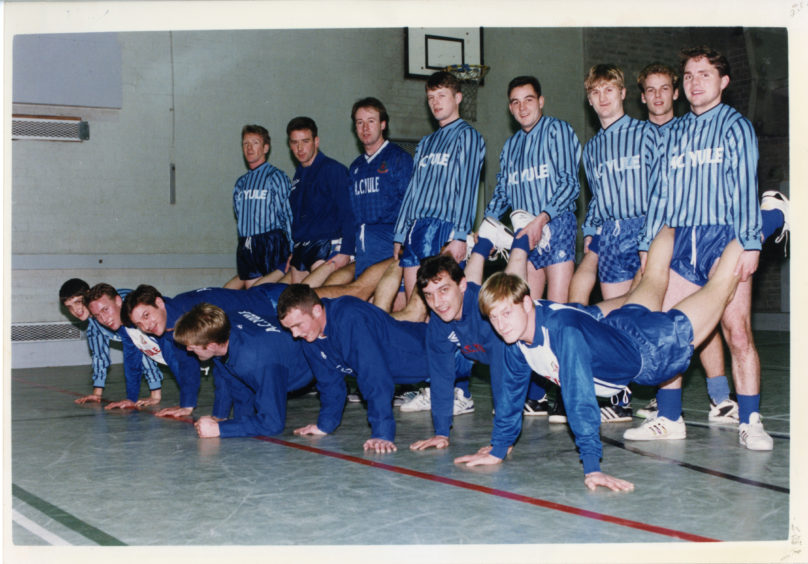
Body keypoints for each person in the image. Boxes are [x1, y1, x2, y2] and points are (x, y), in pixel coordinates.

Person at [457, 208, 785, 491]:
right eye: (494, 317)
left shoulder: (562, 334)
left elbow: (578, 400)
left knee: (722, 283)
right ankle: (673, 215)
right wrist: (498, 449)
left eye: (506, 313)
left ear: (528, 303)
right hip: (621, 326)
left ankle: (772, 214)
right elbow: (511, 396)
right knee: (654, 272)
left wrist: (592, 466)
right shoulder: (515, 341)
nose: (500, 324)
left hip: (653, 351)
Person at [631, 46, 779, 449]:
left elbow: (746, 188)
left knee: (738, 332)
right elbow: (659, 195)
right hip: (682, 240)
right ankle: (669, 417)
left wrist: (750, 243)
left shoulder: (736, 126)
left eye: (705, 74)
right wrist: (648, 245)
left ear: (723, 82)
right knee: (669, 333)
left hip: (724, 240)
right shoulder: (673, 132)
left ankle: (750, 419)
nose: (696, 82)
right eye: (690, 75)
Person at [633, 62, 738, 423]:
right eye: (651, 89)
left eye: (666, 88)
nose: (658, 95)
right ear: (642, 96)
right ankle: (662, 402)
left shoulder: (694, 128)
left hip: (692, 232)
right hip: (648, 235)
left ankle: (720, 395)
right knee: (654, 318)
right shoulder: (634, 136)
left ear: (675, 93)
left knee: (708, 314)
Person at [481, 74, 582, 418]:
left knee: (556, 310)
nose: (522, 107)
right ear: (510, 108)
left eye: (528, 99)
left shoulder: (560, 131)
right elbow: (501, 196)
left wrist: (541, 219)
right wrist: (485, 233)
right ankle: (537, 392)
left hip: (556, 226)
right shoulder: (510, 147)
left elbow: (570, 184)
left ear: (541, 101)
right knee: (528, 312)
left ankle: (566, 394)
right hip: (524, 237)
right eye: (515, 102)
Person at [277, 284, 451, 453]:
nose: (295, 334)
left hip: (439, 350)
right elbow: (329, 383)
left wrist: (382, 433)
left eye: (298, 325)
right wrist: (325, 425)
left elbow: (374, 377)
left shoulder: (350, 318)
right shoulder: (311, 336)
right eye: (289, 328)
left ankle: (460, 393)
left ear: (316, 311)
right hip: (414, 368)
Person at [393, 70, 485, 299]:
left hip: (444, 228)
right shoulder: (425, 142)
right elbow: (412, 190)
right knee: (413, 303)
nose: (435, 102)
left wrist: (460, 235)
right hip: (415, 229)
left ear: (458, 98)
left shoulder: (468, 136)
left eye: (441, 95)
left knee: (442, 303)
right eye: (431, 98)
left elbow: (467, 187)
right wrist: (400, 233)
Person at [123, 285, 279, 419]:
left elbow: (223, 365)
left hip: (273, 302)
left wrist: (219, 416)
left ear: (159, 302)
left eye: (146, 315)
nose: (146, 326)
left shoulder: (191, 315)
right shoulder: (169, 327)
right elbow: (186, 364)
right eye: (139, 324)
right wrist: (187, 405)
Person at [173, 303, 314, 438]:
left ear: (211, 346)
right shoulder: (221, 329)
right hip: (268, 352)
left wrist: (220, 429)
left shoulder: (256, 361)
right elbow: (228, 376)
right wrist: (220, 416)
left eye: (192, 346)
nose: (188, 350)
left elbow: (273, 424)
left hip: (302, 362)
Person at [59, 278, 163, 407]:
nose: (77, 310)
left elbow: (143, 347)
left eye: (79, 302)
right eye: (69, 307)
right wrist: (97, 393)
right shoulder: (94, 325)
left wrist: (155, 394)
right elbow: (99, 357)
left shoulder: (126, 307)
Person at [348, 97, 413, 281]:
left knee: (392, 305)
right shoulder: (355, 167)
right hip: (364, 247)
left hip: (390, 243)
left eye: (371, 121)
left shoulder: (399, 159)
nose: (365, 128)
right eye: (360, 123)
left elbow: (410, 206)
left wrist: (402, 240)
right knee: (367, 306)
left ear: (383, 124)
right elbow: (352, 213)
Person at [286, 116, 356, 283]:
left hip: (326, 245)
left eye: (305, 141)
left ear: (316, 141)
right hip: (302, 247)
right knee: (297, 304)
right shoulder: (298, 175)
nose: (300, 148)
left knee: (320, 299)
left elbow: (349, 213)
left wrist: (346, 251)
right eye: (295, 142)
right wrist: (293, 251)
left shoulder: (333, 170)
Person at [224, 125, 293, 290]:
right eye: (245, 143)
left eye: (255, 143)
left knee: (269, 294)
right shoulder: (240, 183)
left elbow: (288, 215)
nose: (249, 148)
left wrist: (293, 249)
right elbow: (238, 213)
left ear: (265, 148)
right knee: (252, 296)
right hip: (247, 243)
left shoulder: (276, 177)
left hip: (271, 242)